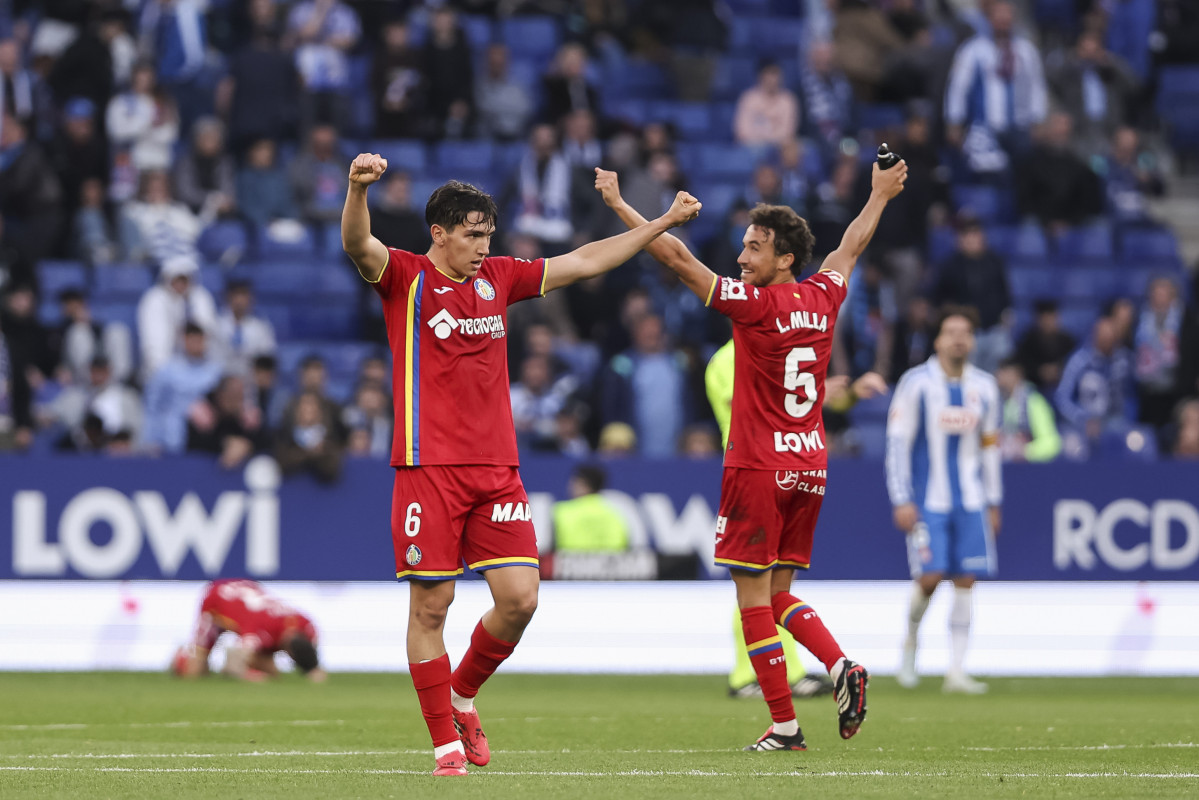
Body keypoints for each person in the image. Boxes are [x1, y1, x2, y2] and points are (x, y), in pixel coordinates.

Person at [340, 153, 699, 776]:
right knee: (432, 607)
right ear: (439, 233)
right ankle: (444, 747)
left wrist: (660, 222)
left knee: (521, 600)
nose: (484, 246)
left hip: (498, 470)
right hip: (428, 468)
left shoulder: (499, 279)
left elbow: (586, 260)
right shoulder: (404, 277)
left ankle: (461, 696)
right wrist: (356, 189)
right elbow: (356, 241)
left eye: (488, 234)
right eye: (473, 234)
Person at [594, 157, 909, 750]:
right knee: (780, 593)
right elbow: (852, 244)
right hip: (810, 463)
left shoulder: (753, 305)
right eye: (743, 246)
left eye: (754, 248)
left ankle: (786, 726)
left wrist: (623, 208)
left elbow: (676, 259)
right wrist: (879, 194)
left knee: (752, 602)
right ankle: (840, 666)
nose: (742, 258)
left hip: (757, 467)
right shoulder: (825, 294)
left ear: (784, 258)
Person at [706, 338, 886, 700]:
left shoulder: (779, 346)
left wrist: (848, 395)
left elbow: (800, 403)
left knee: (772, 587)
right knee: (752, 584)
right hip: (749, 470)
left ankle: (788, 674)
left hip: (784, 466)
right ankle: (747, 676)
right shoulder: (728, 359)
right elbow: (751, 408)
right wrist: (819, 394)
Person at [886, 306, 1002, 694]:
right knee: (931, 577)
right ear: (937, 340)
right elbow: (898, 444)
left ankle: (956, 670)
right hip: (927, 501)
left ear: (972, 340)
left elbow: (990, 448)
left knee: (967, 579)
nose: (958, 338)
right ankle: (910, 645)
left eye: (965, 332)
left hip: (970, 501)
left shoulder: (985, 387)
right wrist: (901, 497)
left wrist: (994, 500)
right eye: (950, 331)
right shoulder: (916, 384)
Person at [173, 578, 326, 682]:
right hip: (215, 602)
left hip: (246, 592)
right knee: (195, 671)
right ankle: (181, 658)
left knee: (272, 672)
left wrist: (312, 667)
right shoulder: (260, 633)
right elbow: (231, 663)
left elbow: (310, 650)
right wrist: (248, 676)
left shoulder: (305, 623)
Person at [995, 358, 1061, 463]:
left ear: (1016, 374)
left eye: (1004, 371)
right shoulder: (994, 401)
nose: (999, 375)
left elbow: (1052, 443)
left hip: (1027, 469)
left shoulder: (1034, 402)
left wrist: (1026, 451)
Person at [552, 464, 628, 553]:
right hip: (609, 563)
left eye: (574, 482)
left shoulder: (561, 511)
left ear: (582, 484)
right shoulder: (614, 512)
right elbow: (622, 544)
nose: (570, 486)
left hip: (571, 563)